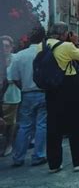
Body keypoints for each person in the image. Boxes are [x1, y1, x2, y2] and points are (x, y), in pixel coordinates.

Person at [44, 22, 79, 173]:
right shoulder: (66, 46)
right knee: (75, 124)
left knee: (53, 125)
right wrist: (77, 43)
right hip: (68, 86)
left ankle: (54, 163)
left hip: (51, 88)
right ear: (65, 34)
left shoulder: (42, 45)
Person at [10, 26, 47, 167]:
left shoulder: (20, 55)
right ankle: (38, 155)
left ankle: (18, 157)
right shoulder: (45, 54)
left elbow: (14, 78)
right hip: (43, 92)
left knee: (24, 126)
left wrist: (23, 88)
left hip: (26, 93)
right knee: (41, 125)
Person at [0, 35, 20, 157]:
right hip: (1, 95)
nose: (4, 49)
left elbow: (17, 75)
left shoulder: (16, 59)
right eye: (2, 46)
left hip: (12, 94)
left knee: (10, 122)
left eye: (7, 46)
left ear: (12, 47)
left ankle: (9, 144)